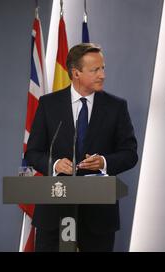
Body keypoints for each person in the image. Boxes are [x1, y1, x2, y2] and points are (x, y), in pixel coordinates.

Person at [26, 43, 138, 251]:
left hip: (98, 217)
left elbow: (130, 154)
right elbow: (33, 153)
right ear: (75, 73)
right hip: (54, 212)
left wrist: (104, 162)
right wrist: (56, 164)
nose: (102, 75)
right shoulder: (48, 104)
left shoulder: (116, 107)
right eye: (95, 70)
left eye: (103, 68)